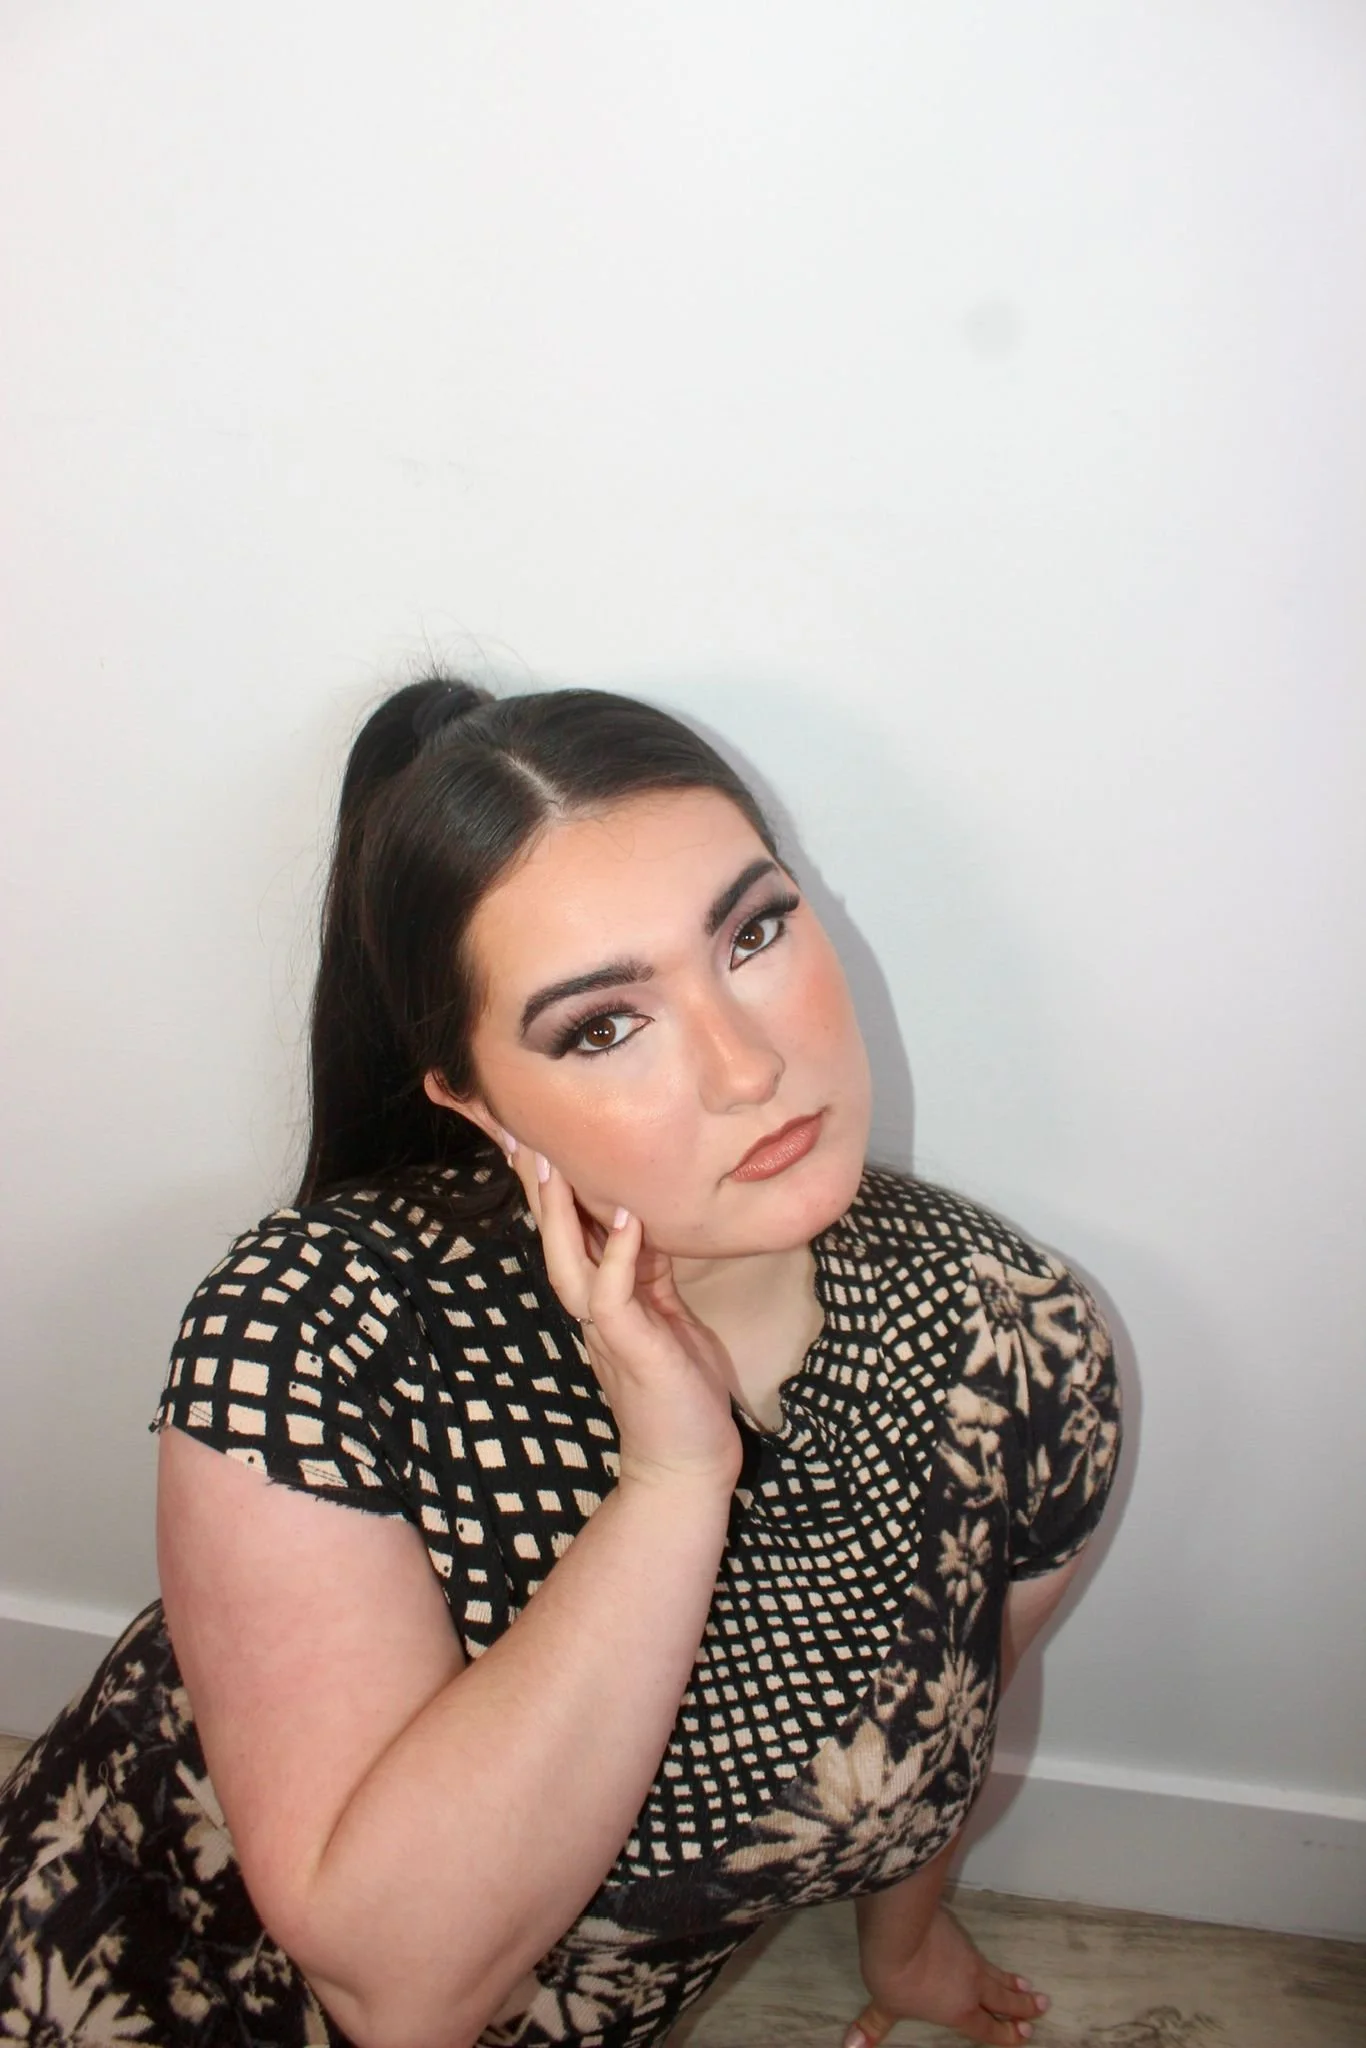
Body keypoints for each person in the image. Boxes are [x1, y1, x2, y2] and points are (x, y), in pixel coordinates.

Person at [0, 676, 1122, 2048]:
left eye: (754, 932)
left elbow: (950, 1724)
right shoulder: (312, 1330)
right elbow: (401, 1993)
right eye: (602, 1025)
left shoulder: (1017, 1336)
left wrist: (906, 1948)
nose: (746, 1066)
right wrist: (671, 1479)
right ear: (476, 1103)